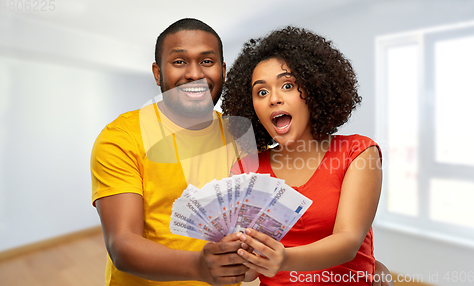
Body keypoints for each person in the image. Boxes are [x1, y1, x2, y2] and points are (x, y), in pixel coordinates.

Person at [222, 27, 394, 285]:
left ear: (314, 90)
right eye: (261, 92)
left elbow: (348, 242)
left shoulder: (358, 153)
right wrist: (235, 257)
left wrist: (284, 259)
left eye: (287, 85)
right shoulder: (246, 170)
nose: (274, 99)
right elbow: (249, 273)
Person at [91, 18, 252, 286]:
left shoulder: (238, 135)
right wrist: (199, 267)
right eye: (179, 62)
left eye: (207, 61)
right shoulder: (121, 137)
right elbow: (121, 243)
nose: (194, 74)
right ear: (157, 73)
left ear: (222, 70)